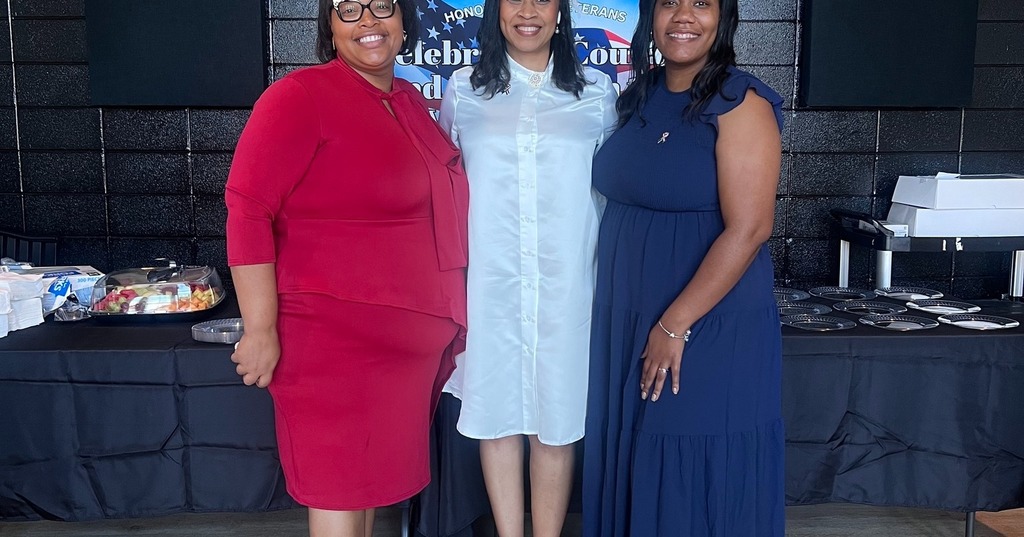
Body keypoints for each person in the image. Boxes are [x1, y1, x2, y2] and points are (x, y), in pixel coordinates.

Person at [224, 0, 469, 534]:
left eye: (382, 7)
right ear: (329, 27)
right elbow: (247, 209)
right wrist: (261, 328)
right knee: (337, 494)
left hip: (397, 355)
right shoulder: (300, 97)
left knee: (363, 498)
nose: (368, 22)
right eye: (348, 9)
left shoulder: (405, 99)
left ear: (405, 21)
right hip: (330, 346)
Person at [582, 0, 785, 534]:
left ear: (725, 18)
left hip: (704, 320)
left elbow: (750, 228)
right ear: (650, 17)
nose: (683, 17)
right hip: (629, 314)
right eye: (669, 3)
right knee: (634, 451)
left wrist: (675, 325)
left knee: (690, 453)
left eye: (701, 3)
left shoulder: (740, 102)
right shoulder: (640, 95)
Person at [437, 0, 617, 534]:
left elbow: (611, 189)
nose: (528, 11)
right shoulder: (463, 91)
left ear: (561, 12)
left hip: (569, 289)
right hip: (490, 288)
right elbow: (447, 181)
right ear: (495, 12)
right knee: (497, 420)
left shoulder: (596, 93)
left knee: (555, 425)